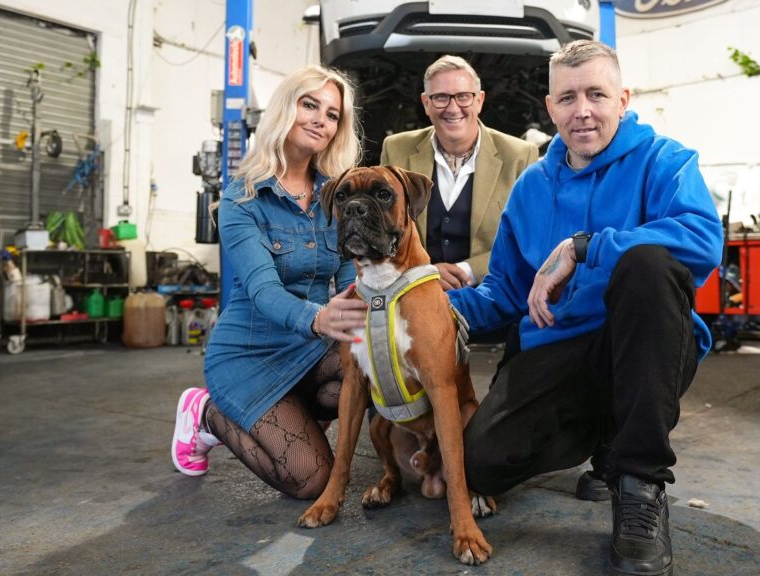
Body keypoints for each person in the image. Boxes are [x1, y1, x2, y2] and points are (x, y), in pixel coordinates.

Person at [447, 40, 723, 576]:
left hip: (643, 344)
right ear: (550, 108)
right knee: (481, 464)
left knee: (647, 265)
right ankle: (607, 439)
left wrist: (585, 246)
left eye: (597, 94)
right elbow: (503, 292)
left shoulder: (664, 160)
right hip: (558, 347)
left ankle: (639, 482)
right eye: (568, 98)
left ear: (623, 99)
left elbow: (702, 240)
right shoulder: (531, 188)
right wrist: (424, 302)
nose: (583, 111)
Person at [170, 65, 369, 500]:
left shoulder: (335, 195)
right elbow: (263, 291)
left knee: (368, 373)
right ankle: (205, 414)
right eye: (310, 105)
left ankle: (299, 411)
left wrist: (357, 300)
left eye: (332, 114)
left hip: (311, 347)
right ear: (285, 109)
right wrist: (320, 318)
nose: (320, 120)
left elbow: (347, 273)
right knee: (312, 481)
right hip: (250, 355)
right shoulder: (242, 199)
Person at [380, 55, 539, 291]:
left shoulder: (520, 156)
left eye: (463, 96)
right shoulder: (396, 150)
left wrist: (467, 270)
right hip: (415, 292)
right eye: (441, 97)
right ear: (426, 103)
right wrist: (424, 272)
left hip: (492, 294)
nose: (453, 108)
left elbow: (529, 238)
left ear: (479, 100)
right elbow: (384, 232)